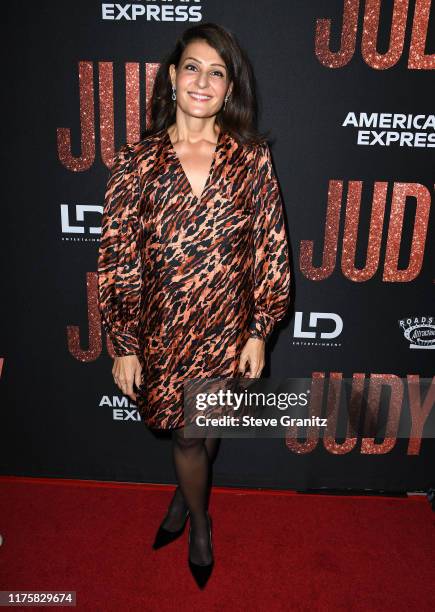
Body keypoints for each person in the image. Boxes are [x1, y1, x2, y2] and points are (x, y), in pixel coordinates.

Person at [97, 22, 291, 588]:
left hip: (225, 329)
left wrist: (259, 330)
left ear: (229, 88)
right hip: (164, 330)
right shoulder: (137, 160)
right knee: (187, 435)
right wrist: (124, 343)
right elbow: (117, 255)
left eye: (217, 71)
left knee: (204, 432)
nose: (203, 80)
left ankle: (184, 500)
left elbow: (270, 246)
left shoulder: (250, 158)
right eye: (192, 67)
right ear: (173, 79)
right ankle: (201, 523)